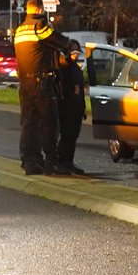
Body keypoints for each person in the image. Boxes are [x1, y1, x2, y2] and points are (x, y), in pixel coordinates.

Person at [12, 0, 69, 175]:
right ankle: (51, 163)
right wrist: (70, 45)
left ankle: (30, 161)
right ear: (39, 9)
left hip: (25, 84)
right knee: (49, 123)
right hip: (42, 83)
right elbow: (58, 41)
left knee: (29, 123)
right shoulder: (39, 26)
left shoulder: (20, 30)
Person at [54, 38, 89, 175]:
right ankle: (62, 162)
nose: (76, 55)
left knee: (73, 136)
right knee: (66, 135)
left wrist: (83, 107)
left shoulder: (76, 68)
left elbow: (79, 88)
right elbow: (63, 86)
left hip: (76, 106)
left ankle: (68, 162)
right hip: (67, 106)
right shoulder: (64, 67)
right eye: (73, 52)